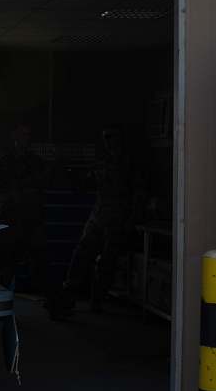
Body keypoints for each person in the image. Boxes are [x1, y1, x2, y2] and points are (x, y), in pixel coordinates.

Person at [51, 123, 148, 317]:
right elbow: (85, 185)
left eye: (110, 136)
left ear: (120, 137)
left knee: (107, 260)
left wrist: (132, 220)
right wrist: (64, 167)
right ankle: (68, 293)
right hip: (99, 217)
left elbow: (139, 192)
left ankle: (96, 298)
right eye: (104, 137)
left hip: (118, 219)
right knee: (82, 253)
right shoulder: (101, 161)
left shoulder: (131, 162)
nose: (107, 140)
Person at [0, 123, 66, 302]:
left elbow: (54, 181)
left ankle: (57, 306)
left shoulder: (36, 162)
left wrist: (59, 160)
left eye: (29, 135)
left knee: (41, 268)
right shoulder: (5, 162)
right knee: (4, 269)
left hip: (32, 225)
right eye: (24, 135)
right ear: (14, 137)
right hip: (10, 225)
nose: (27, 138)